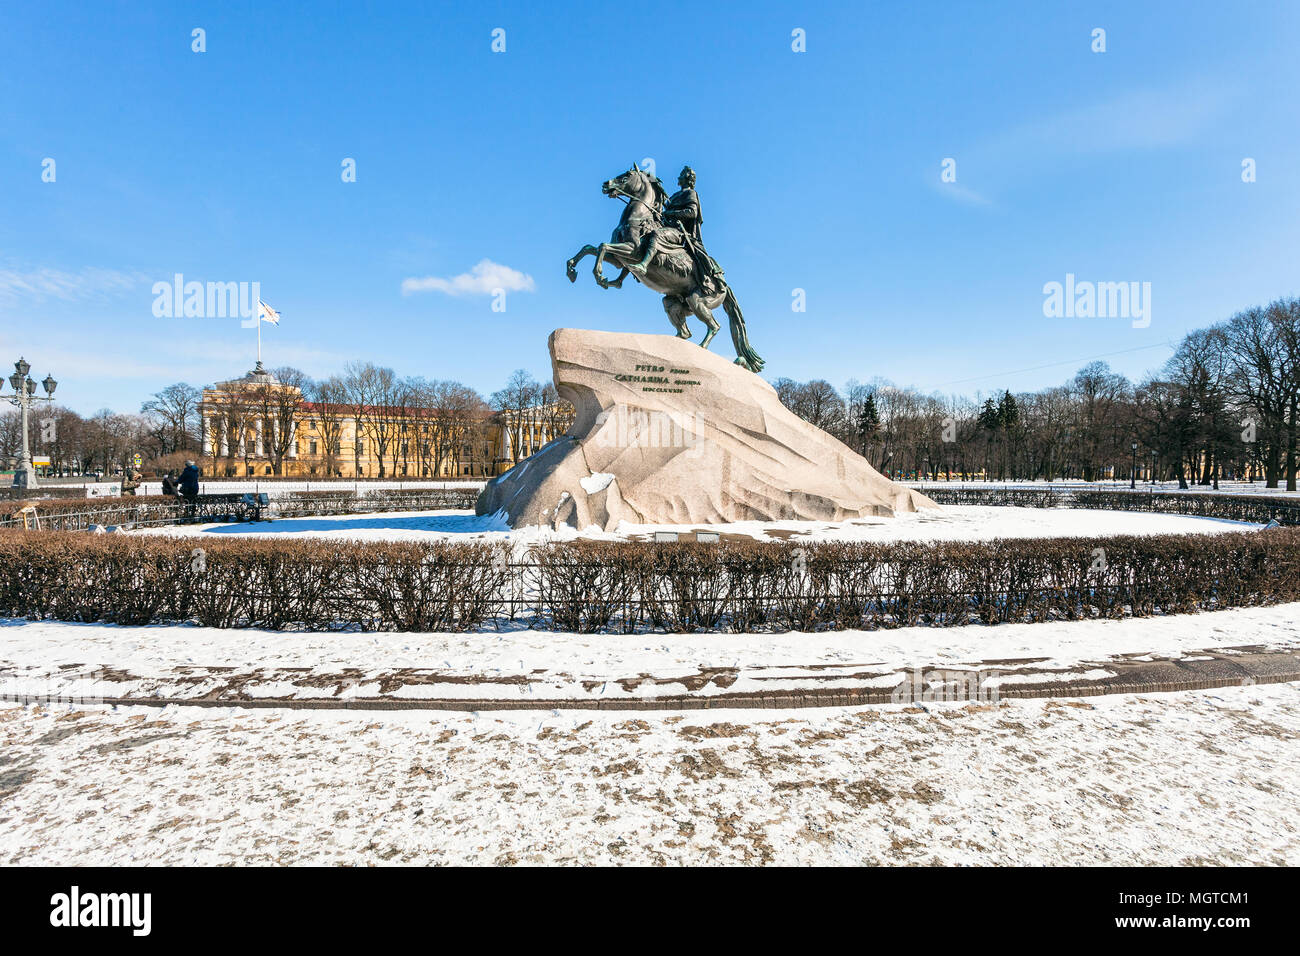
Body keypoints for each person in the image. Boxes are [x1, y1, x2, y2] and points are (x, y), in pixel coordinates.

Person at [629, 166, 725, 295]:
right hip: (667, 227)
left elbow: (692, 212)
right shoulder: (675, 196)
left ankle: (644, 264)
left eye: (681, 175)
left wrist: (671, 213)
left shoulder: (690, 193)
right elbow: (664, 210)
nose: (678, 177)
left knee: (656, 235)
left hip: (679, 232)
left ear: (687, 178)